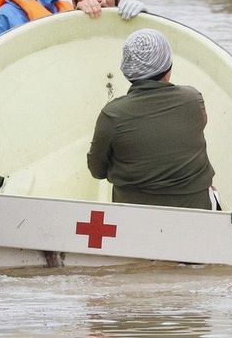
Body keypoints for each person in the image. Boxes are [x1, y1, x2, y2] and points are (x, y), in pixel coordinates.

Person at [87, 29, 216, 210]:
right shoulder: (193, 99)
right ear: (168, 66)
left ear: (126, 70)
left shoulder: (113, 114)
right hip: (194, 211)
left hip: (134, 217)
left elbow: (97, 170)